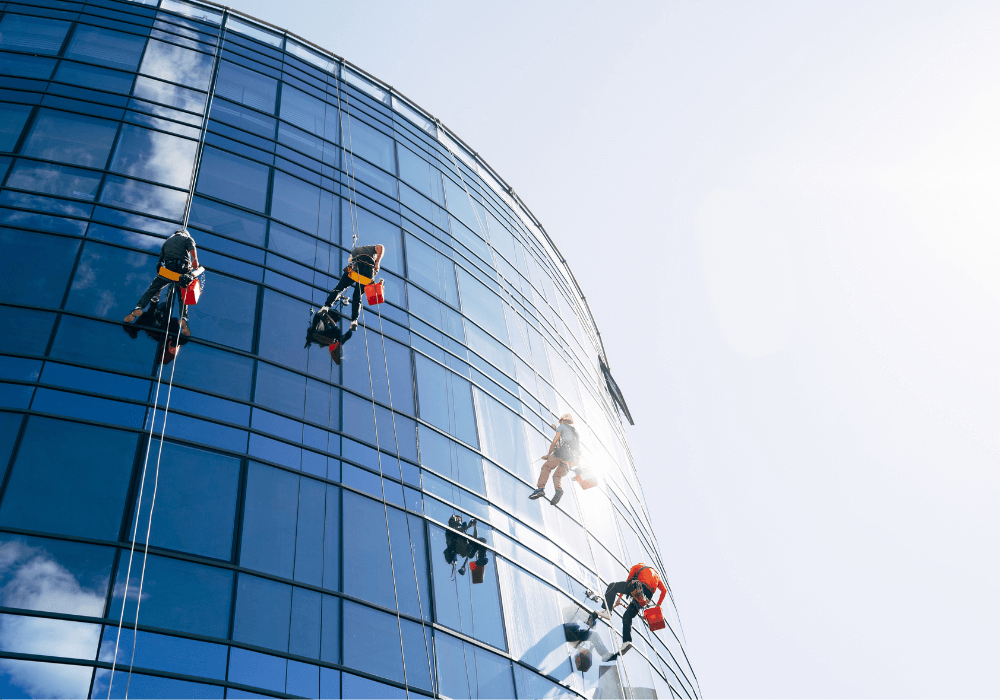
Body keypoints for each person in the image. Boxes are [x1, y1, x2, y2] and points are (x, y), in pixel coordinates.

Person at [124, 229, 200, 336]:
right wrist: (195, 261)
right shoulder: (187, 238)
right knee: (182, 297)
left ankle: (139, 307)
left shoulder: (167, 242)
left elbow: (160, 262)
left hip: (168, 270)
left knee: (152, 289)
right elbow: (192, 249)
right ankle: (183, 318)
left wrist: (158, 283)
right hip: (181, 271)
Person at [588, 563, 667, 660]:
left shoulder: (637, 567)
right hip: (646, 598)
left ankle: (607, 611)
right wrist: (658, 605)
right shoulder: (657, 576)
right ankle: (627, 641)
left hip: (638, 587)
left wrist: (619, 598)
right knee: (627, 617)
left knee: (612, 586)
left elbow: (628, 581)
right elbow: (664, 591)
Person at [324, 243, 385, 329]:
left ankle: (326, 306)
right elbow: (380, 247)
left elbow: (380, 247)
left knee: (339, 288)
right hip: (366, 274)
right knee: (357, 296)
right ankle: (354, 320)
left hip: (355, 271)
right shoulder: (368, 249)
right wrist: (377, 263)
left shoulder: (357, 251)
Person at [529, 414, 581, 506]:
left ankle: (540, 489)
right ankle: (558, 490)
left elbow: (555, 441)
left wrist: (548, 455)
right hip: (571, 461)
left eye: (561, 421)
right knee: (557, 476)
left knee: (546, 467)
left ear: (564, 421)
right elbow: (566, 438)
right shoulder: (575, 433)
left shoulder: (562, 427)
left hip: (560, 455)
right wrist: (555, 428)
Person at [443, 514, 489, 578]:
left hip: (468, 551)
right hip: (458, 549)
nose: (459, 523)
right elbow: (455, 530)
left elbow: (475, 539)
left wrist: (474, 527)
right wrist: (467, 526)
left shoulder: (462, 532)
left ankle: (481, 558)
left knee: (483, 540)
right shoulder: (450, 530)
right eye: (458, 521)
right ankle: (480, 557)